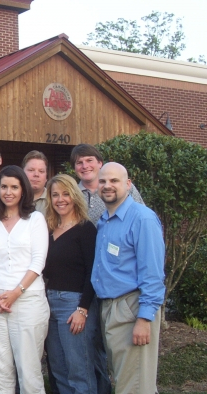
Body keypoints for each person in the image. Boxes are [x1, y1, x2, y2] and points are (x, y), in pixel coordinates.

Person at [92, 162, 165, 394]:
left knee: (135, 386)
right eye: (102, 181)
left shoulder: (142, 219)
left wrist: (144, 319)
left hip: (132, 308)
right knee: (125, 379)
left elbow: (153, 274)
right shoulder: (104, 220)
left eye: (114, 181)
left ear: (128, 184)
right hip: (109, 308)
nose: (107, 186)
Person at [0, 165, 49, 393]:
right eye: (3, 187)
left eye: (14, 187)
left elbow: (38, 262)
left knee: (28, 370)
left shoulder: (35, 219)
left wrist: (16, 293)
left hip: (28, 301)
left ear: (23, 190)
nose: (8, 192)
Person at [43, 174, 107, 393]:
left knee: (79, 369)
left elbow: (93, 272)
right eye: (55, 195)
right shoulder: (49, 230)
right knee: (58, 368)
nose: (61, 199)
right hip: (49, 304)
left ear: (74, 196)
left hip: (74, 305)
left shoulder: (86, 229)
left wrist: (83, 309)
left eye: (65, 193)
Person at [70, 143, 144, 225]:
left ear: (100, 163)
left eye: (89, 160)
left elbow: (142, 218)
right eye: (79, 163)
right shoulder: (71, 195)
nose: (85, 166)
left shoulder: (124, 188)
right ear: (74, 168)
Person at [22, 150, 49, 215]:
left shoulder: (54, 200)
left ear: (46, 177)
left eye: (41, 171)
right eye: (31, 170)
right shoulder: (12, 198)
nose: (36, 174)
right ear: (22, 173)